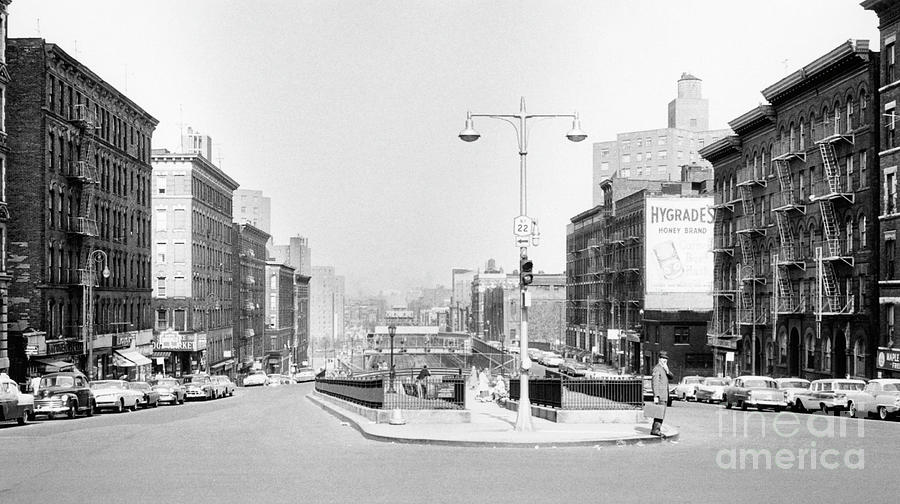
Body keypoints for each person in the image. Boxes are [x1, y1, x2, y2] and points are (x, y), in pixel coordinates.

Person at [650, 351, 675, 437]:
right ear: (659, 359)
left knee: (661, 413)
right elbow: (655, 383)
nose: (664, 360)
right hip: (660, 395)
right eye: (663, 359)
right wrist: (656, 396)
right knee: (659, 413)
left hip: (664, 395)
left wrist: (667, 370)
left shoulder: (664, 369)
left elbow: (672, 377)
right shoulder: (657, 369)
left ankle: (656, 429)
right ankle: (656, 430)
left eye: (666, 359)